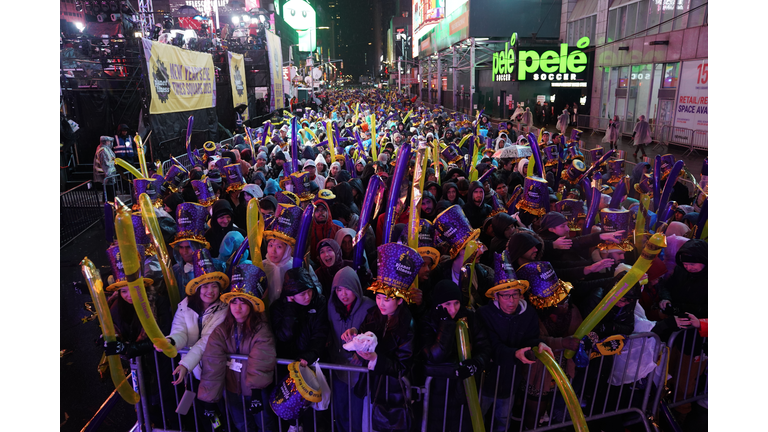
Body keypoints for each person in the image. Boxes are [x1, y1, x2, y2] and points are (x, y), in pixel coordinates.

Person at [342, 243, 420, 432]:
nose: (381, 303)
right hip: (372, 387)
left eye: (387, 299)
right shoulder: (373, 314)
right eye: (378, 297)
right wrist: (354, 335)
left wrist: (376, 359)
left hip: (394, 395)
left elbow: (403, 367)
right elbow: (362, 339)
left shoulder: (407, 326)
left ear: (400, 300)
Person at [477, 253, 552, 431]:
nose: (511, 301)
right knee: (476, 418)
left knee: (502, 421)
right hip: (484, 381)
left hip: (510, 381)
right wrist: (514, 354)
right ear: (496, 296)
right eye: (505, 296)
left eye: (515, 295)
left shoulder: (529, 314)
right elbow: (491, 346)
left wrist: (539, 344)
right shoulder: (483, 315)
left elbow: (531, 338)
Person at [197, 264, 276, 432]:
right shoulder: (221, 330)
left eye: (243, 302)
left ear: (252, 305)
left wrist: (255, 392)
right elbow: (212, 363)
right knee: (242, 426)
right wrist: (208, 400)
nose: (237, 307)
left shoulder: (261, 329)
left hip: (256, 392)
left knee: (265, 426)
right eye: (234, 302)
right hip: (233, 391)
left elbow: (261, 358)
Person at [418, 280, 492, 432]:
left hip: (464, 392)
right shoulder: (428, 321)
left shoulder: (470, 318)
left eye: (456, 303)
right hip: (436, 393)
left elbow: (484, 347)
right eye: (447, 304)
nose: (453, 309)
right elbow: (434, 356)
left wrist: (475, 364)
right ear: (438, 305)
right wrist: (446, 325)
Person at [162, 248, 230, 390]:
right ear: (198, 288)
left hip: (214, 369)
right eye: (205, 286)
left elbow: (207, 341)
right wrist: (170, 341)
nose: (210, 291)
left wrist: (185, 364)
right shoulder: (184, 305)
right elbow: (180, 331)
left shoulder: (224, 310)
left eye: (214, 286)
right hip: (191, 369)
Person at [326, 267, 376, 432]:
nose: (343, 294)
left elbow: (374, 337)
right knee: (339, 410)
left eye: (348, 289)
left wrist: (361, 354)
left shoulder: (369, 306)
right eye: (339, 289)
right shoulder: (332, 306)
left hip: (359, 371)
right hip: (338, 367)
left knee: (357, 412)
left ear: (356, 287)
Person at [270, 267, 329, 367]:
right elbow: (284, 336)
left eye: (309, 291)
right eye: (302, 294)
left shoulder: (319, 302)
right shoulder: (278, 307)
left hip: (312, 361)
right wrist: (290, 307)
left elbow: (320, 333)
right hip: (286, 362)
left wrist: (311, 355)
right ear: (291, 295)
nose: (308, 296)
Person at [93, 136, 117, 202]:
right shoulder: (103, 151)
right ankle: (110, 202)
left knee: (108, 190)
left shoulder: (103, 149)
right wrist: (108, 174)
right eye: (109, 141)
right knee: (109, 190)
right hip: (106, 174)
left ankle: (108, 201)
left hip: (107, 174)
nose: (110, 143)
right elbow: (105, 164)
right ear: (106, 142)